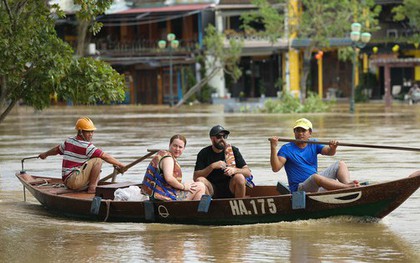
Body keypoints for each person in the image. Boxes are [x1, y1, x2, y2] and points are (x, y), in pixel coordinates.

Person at [269, 118, 359, 193]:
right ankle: (346, 187)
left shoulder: (313, 143)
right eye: (298, 131)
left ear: (310, 133)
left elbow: (329, 152)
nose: (300, 133)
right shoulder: (286, 148)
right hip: (300, 188)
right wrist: (273, 147)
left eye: (303, 131)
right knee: (316, 177)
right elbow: (275, 168)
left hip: (316, 184)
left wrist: (333, 147)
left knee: (340, 164)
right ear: (294, 132)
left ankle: (348, 184)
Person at [38, 117, 126, 194]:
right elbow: (105, 156)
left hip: (67, 181)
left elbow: (57, 150)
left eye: (92, 132)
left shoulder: (68, 141)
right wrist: (121, 164)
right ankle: (92, 188)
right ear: (80, 132)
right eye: (88, 132)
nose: (91, 134)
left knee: (95, 164)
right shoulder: (87, 146)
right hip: (74, 180)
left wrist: (45, 154)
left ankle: (92, 184)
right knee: (98, 160)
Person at [194, 125, 252, 198]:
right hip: (211, 189)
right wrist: (212, 166)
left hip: (230, 186)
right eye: (219, 137)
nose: (222, 139)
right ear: (212, 139)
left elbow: (248, 172)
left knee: (239, 177)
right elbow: (195, 177)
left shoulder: (233, 150)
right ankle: (208, 207)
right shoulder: (204, 153)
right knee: (200, 180)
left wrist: (234, 170)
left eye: (224, 136)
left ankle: (239, 205)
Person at [142, 134, 205, 201]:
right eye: (175, 146)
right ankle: (197, 210)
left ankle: (194, 208)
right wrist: (183, 187)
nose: (177, 149)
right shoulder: (168, 159)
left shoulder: (164, 155)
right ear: (170, 145)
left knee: (191, 182)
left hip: (158, 194)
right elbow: (169, 178)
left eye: (180, 147)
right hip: (162, 198)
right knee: (200, 186)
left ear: (183, 148)